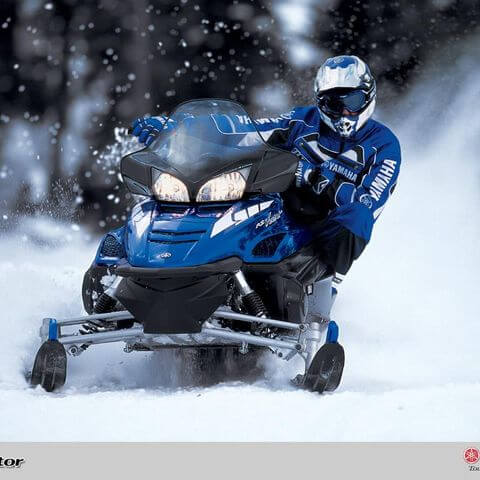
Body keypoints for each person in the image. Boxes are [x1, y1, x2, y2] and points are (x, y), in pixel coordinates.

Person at [131, 55, 401, 321]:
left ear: (367, 96)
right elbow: (245, 130)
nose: (344, 112)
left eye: (351, 102)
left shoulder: (384, 145)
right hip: (279, 208)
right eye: (333, 103)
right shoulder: (300, 121)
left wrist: (318, 178)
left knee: (358, 217)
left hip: (326, 227)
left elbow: (369, 201)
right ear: (320, 103)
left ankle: (323, 302)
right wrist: (177, 128)